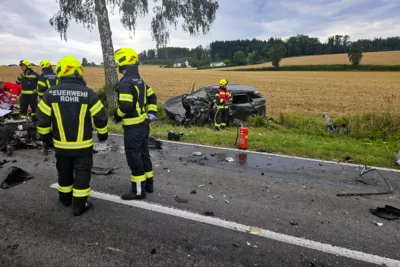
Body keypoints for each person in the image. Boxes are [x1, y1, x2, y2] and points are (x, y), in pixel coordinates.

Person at [36, 55, 109, 216]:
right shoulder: (88, 93)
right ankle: (79, 205)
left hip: (61, 145)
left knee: (64, 171)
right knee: (82, 173)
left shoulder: (50, 93)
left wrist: (47, 140)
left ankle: (65, 199)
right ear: (78, 72)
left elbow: (41, 120)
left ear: (61, 71)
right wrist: (102, 135)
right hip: (83, 145)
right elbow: (101, 118)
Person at [113, 47, 158, 200]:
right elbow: (153, 96)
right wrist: (151, 113)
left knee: (134, 158)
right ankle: (149, 185)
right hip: (144, 125)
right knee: (144, 155)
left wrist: (117, 116)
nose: (118, 65)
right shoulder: (140, 80)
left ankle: (138, 191)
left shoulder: (126, 82)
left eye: (118, 61)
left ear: (124, 62)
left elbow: (125, 106)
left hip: (133, 128)